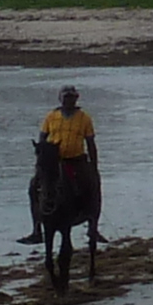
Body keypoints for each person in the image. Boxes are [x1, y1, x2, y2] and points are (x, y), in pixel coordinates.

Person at [25, 84, 101, 244]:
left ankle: (92, 225)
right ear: (60, 99)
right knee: (34, 187)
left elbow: (90, 142)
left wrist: (94, 167)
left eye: (72, 98)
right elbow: (42, 139)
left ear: (76, 99)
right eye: (66, 97)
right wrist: (42, 163)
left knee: (91, 185)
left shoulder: (84, 118)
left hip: (77, 160)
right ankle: (37, 229)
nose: (69, 101)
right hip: (54, 162)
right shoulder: (51, 117)